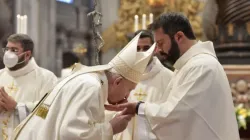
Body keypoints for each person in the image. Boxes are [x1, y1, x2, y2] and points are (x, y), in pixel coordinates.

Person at [106, 12, 240, 140]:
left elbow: (175, 114)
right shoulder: (186, 67)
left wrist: (137, 107)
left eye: (160, 43)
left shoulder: (201, 66)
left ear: (179, 37)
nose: (157, 50)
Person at [11, 32, 156, 140]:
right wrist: (111, 128)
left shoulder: (90, 80)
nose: (127, 96)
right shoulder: (91, 86)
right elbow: (71, 134)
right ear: (117, 82)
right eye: (129, 89)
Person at [112, 30, 173, 140]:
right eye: (137, 48)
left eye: (146, 48)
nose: (141, 52)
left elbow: (172, 114)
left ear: (155, 49)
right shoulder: (121, 76)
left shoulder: (169, 78)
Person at [0, 34, 57, 140]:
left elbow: (48, 111)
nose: (8, 54)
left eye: (14, 50)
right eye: (7, 49)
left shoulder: (46, 78)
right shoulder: (1, 75)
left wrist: (17, 107)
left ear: (27, 55)